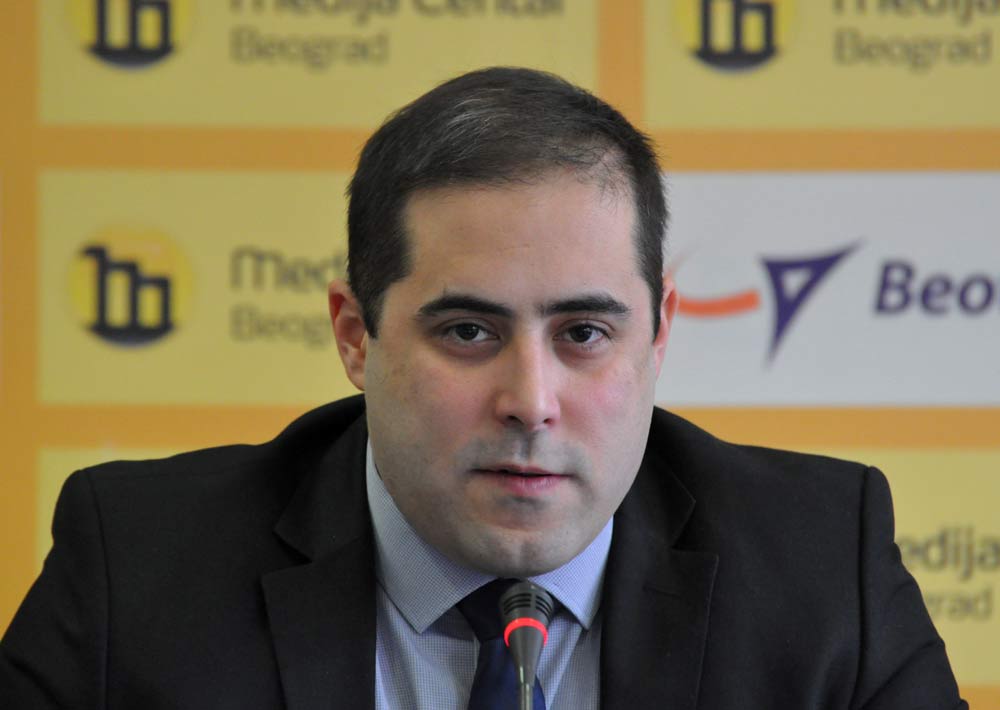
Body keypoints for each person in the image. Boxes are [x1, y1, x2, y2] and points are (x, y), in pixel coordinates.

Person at [1, 67, 966, 710]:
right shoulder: (139, 568)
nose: (530, 400)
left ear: (660, 333)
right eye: (468, 332)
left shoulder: (819, 571)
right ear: (355, 335)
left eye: (584, 333)